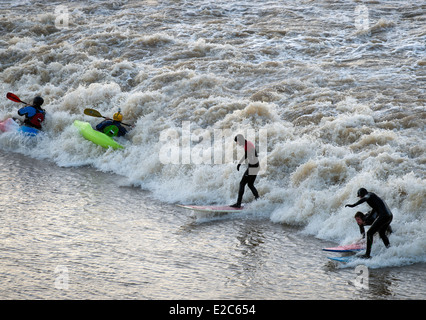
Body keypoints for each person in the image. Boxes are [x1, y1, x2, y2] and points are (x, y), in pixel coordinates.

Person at [346, 188, 393, 258]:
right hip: (389, 216)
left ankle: (367, 254)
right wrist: (367, 218)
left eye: (359, 196)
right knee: (382, 233)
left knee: (369, 233)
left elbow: (365, 198)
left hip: (384, 216)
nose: (360, 198)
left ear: (362, 194)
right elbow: (374, 209)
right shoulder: (373, 198)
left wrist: (353, 205)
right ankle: (390, 250)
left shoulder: (369, 195)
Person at [230, 134, 260, 208]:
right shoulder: (247, 144)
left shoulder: (248, 144)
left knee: (242, 183)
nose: (237, 143)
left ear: (240, 140)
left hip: (253, 166)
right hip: (256, 166)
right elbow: (246, 154)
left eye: (237, 142)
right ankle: (258, 200)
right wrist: (239, 163)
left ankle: (238, 203)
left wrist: (251, 167)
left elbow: (254, 154)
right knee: (250, 184)